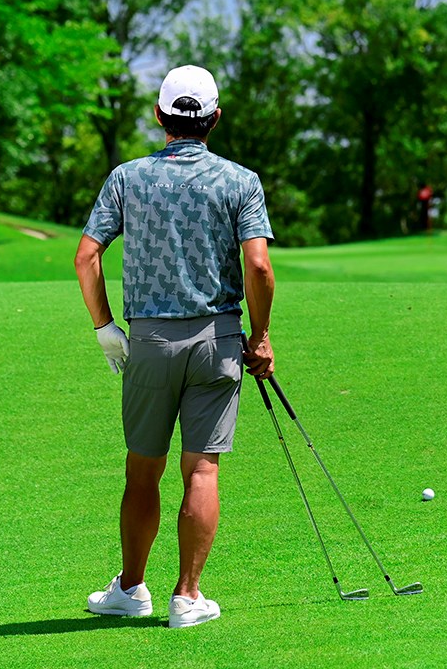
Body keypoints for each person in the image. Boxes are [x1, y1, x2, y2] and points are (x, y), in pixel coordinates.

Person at [74, 65, 276, 629]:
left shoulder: (127, 178)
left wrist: (103, 326)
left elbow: (86, 257)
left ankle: (132, 588)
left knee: (143, 472)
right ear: (214, 118)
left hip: (150, 341)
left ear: (160, 115)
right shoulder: (241, 181)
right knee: (202, 470)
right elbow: (258, 265)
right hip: (218, 340)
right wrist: (259, 339)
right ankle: (187, 598)